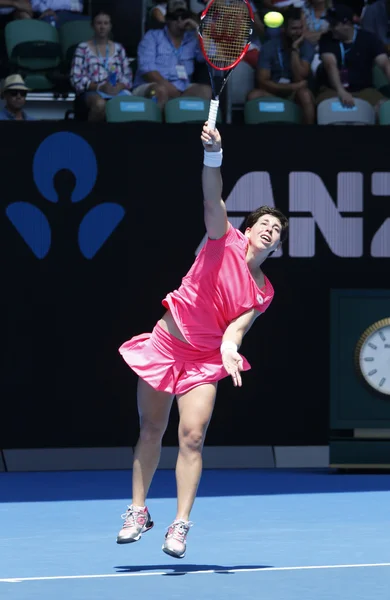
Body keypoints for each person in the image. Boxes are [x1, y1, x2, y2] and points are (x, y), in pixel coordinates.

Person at [116, 122, 288, 559]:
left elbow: (238, 326)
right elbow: (213, 196)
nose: (271, 230)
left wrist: (231, 347)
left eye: (278, 229)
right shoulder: (221, 239)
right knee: (152, 428)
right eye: (265, 224)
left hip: (204, 361)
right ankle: (137, 511)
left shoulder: (264, 290)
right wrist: (215, 155)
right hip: (165, 346)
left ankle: (180, 524)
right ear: (248, 230)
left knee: (192, 437)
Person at [132, 0, 211, 109]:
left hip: (182, 88)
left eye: (183, 17)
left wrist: (198, 29)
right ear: (167, 19)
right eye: (175, 17)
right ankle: (158, 124)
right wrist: (172, 90)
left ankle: (183, 123)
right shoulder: (152, 37)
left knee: (205, 92)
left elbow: (210, 55)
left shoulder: (192, 38)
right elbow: (147, 71)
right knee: (159, 91)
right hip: (152, 85)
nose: (179, 21)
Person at [248, 7, 316, 124]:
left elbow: (300, 76)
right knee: (253, 96)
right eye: (294, 29)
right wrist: (292, 87)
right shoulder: (269, 46)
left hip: (296, 94)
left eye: (300, 28)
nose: (298, 32)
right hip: (274, 91)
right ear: (284, 29)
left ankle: (308, 134)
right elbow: (263, 81)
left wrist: (295, 49)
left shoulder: (306, 46)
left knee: (305, 95)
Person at [316, 4, 390, 110]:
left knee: (383, 107)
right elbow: (330, 65)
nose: (330, 28)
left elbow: (385, 64)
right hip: (333, 90)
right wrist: (341, 91)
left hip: (364, 90)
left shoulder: (368, 38)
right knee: (327, 107)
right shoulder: (326, 39)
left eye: (334, 24)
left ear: (347, 24)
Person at [70, 10, 132, 121]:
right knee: (100, 104)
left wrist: (119, 87)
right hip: (92, 92)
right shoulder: (82, 48)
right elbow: (76, 79)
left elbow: (128, 77)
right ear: (92, 26)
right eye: (99, 23)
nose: (102, 27)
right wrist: (100, 87)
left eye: (105, 23)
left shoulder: (119, 48)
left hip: (117, 91)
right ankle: (93, 136)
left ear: (110, 26)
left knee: (133, 106)